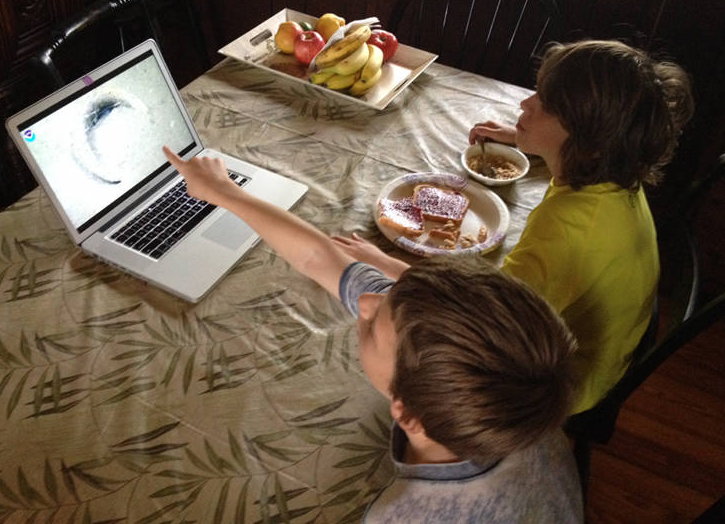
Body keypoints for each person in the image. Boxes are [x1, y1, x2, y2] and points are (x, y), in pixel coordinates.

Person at [162, 146, 583, 522]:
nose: (364, 305)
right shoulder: (524, 408)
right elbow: (317, 257)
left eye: (371, 328)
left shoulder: (400, 515)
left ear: (407, 414)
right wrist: (224, 192)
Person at [332, 39, 695, 415]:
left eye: (546, 105)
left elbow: (485, 316)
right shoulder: (616, 174)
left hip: (563, 383)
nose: (526, 104)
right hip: (608, 347)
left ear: (589, 144)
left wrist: (384, 262)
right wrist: (524, 137)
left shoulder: (570, 229)